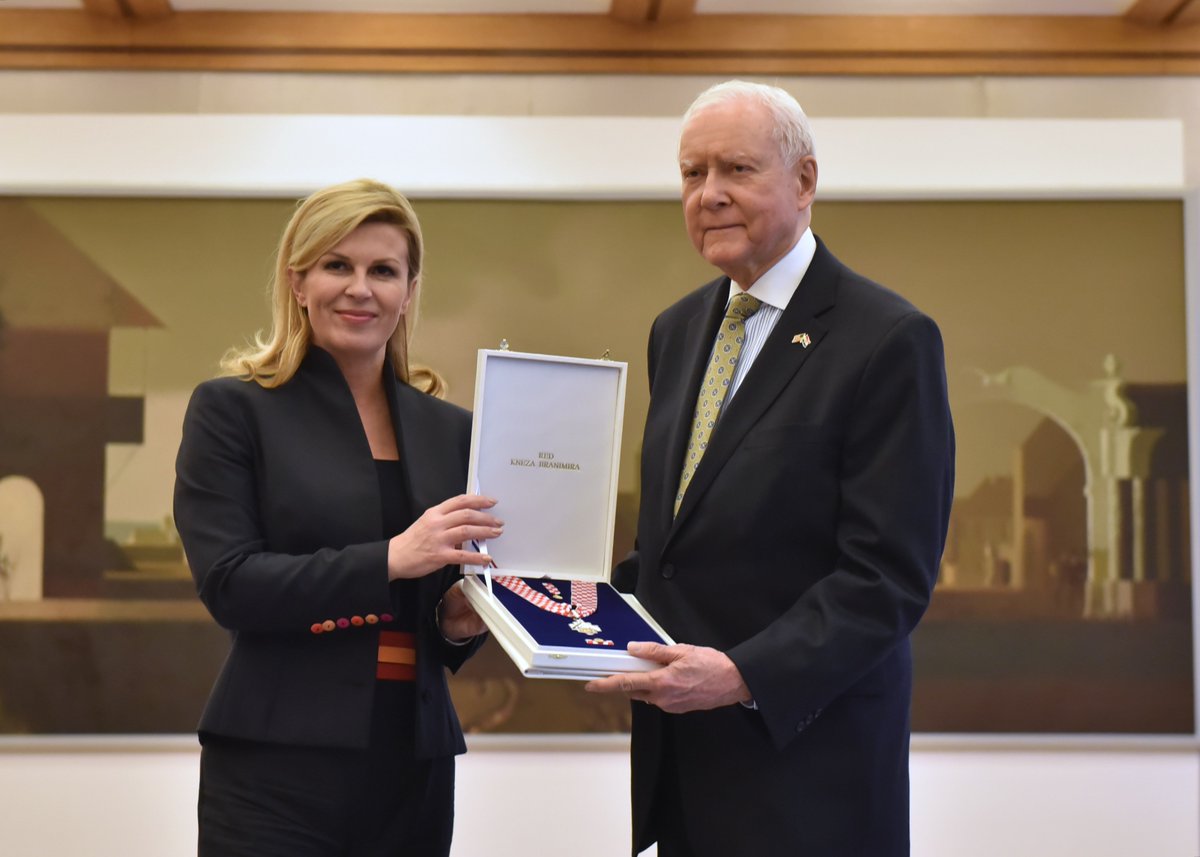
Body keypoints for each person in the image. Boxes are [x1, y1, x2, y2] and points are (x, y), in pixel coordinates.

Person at [586, 81, 955, 856]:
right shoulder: (677, 330)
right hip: (686, 771)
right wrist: (565, 606)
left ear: (805, 180)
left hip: (811, 780)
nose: (710, 194)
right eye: (693, 173)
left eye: (737, 169)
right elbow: (674, 547)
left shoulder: (888, 338)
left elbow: (887, 576)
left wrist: (742, 673)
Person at [174, 178, 501, 857]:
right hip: (274, 765)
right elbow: (230, 584)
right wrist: (391, 559)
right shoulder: (232, 411)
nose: (360, 289)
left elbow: (438, 613)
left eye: (383, 271)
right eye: (336, 265)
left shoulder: (454, 431)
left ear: (408, 291)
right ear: (298, 283)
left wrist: (455, 622)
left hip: (414, 765)